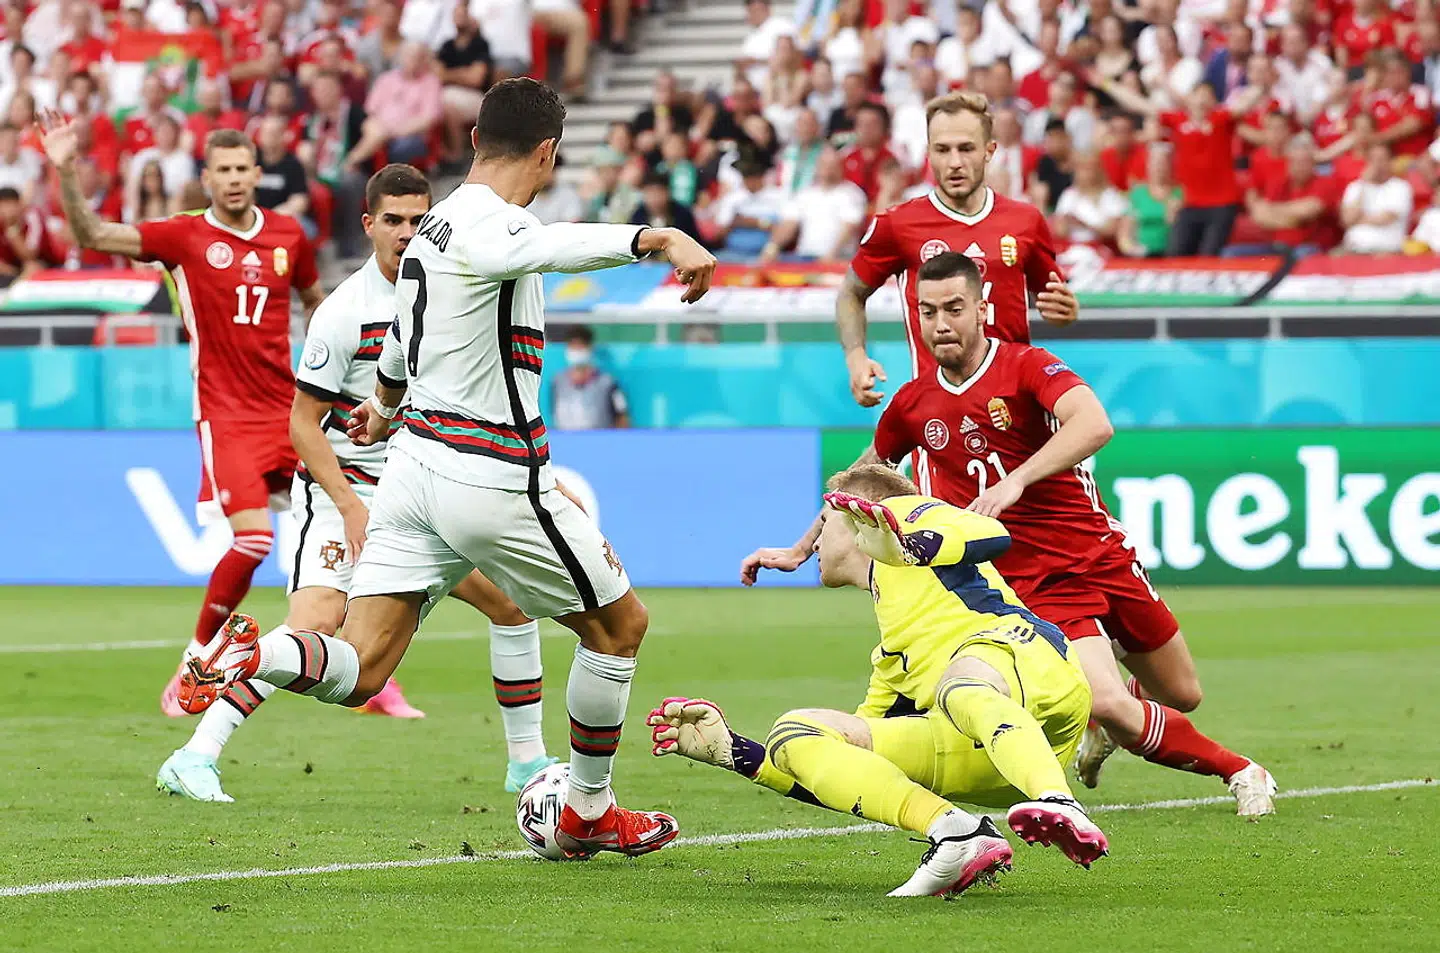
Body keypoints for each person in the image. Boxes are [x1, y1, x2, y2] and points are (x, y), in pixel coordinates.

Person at [176, 78, 717, 859]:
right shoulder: (495, 223)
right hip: (485, 467)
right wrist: (657, 238)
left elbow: (398, 346)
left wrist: (383, 406)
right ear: (546, 153)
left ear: (472, 143)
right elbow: (540, 244)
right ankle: (588, 809)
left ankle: (252, 654)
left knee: (361, 666)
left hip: (409, 469)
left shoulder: (428, 229)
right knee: (619, 625)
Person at [744, 251, 1278, 817]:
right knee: (1109, 698)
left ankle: (1105, 714)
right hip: (1029, 578)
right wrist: (799, 549)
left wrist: (1016, 481)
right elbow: (859, 484)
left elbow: (1095, 423)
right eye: (927, 312)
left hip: (1097, 549)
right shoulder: (913, 402)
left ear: (982, 308)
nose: (940, 323)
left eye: (953, 308)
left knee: (1181, 694)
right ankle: (1242, 772)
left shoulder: (1026, 366)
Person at [157, 165, 561, 801]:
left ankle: (526, 763)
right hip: (350, 489)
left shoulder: (453, 291)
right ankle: (195, 753)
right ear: (369, 224)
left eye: (417, 220)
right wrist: (348, 507)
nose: (406, 234)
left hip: (428, 487)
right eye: (392, 221)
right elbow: (303, 426)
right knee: (316, 630)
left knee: (511, 607)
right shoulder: (346, 310)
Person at [650, 466, 1108, 898]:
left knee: (959, 684)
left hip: (1037, 669)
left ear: (855, 520)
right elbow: (849, 777)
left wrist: (910, 544)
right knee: (799, 733)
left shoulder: (911, 515)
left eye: (823, 525)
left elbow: (990, 532)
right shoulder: (893, 655)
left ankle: (1060, 802)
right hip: (996, 755)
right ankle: (958, 833)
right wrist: (738, 754)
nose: (813, 544)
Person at [39, 116, 324, 717]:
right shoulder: (184, 237)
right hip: (226, 415)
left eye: (242, 168)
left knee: (357, 523)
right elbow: (91, 232)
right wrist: (66, 167)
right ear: (207, 178)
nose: (234, 180)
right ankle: (196, 661)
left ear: (256, 172)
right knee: (252, 541)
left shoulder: (289, 236)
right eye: (222, 170)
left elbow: (315, 303)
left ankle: (360, 666)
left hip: (289, 411)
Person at [836, 91, 1077, 411]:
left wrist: (1067, 311)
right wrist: (856, 358)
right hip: (938, 415)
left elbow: (1055, 301)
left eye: (966, 149)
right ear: (928, 154)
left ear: (989, 151)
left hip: (1014, 411)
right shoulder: (898, 224)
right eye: (942, 150)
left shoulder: (1026, 221)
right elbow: (851, 293)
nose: (954, 163)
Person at [1095, 76, 1264, 256]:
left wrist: (1263, 83)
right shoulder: (1178, 120)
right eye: (1197, 95)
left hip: (1222, 204)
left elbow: (1245, 103)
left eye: (1207, 96)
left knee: (1209, 256)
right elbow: (1140, 104)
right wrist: (1107, 84)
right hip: (1189, 203)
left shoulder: (1222, 119)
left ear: (1213, 101)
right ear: (1188, 99)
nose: (1201, 100)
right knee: (1176, 253)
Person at [761, 146, 867, 262]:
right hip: (804, 256)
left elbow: (849, 227)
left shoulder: (851, 193)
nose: (828, 169)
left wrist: (831, 254)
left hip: (838, 257)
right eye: (823, 164)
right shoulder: (805, 194)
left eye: (832, 165)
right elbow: (789, 224)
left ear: (840, 167)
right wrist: (771, 248)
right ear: (817, 167)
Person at [552, 325, 631, 430]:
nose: (577, 351)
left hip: (599, 441)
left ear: (589, 348)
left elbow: (622, 415)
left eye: (580, 346)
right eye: (573, 346)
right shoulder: (558, 381)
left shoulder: (608, 383)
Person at [1340, 142, 1413, 253]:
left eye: (1382, 159)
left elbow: (1385, 219)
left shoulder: (1401, 187)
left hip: (1387, 250)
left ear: (1391, 162)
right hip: (1353, 249)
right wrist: (1363, 184)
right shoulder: (1355, 187)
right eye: (1373, 160)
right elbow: (1348, 219)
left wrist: (1357, 220)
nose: (1377, 164)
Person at [1117, 145, 1182, 257]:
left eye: (1163, 163)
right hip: (1141, 254)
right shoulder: (1138, 194)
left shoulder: (1180, 194)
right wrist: (1132, 249)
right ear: (1148, 165)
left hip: (1171, 253)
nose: (1159, 168)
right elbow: (1125, 233)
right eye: (1155, 163)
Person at [254, 115, 312, 233]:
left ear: (284, 136)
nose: (269, 138)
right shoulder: (250, 161)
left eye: (274, 133)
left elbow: (300, 200)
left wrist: (274, 216)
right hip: (253, 217)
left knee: (306, 229)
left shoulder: (293, 164)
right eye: (265, 133)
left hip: (283, 216)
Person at [630, 170, 701, 242]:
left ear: (668, 192)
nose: (655, 198)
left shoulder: (682, 215)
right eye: (651, 193)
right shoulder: (638, 216)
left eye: (659, 192)